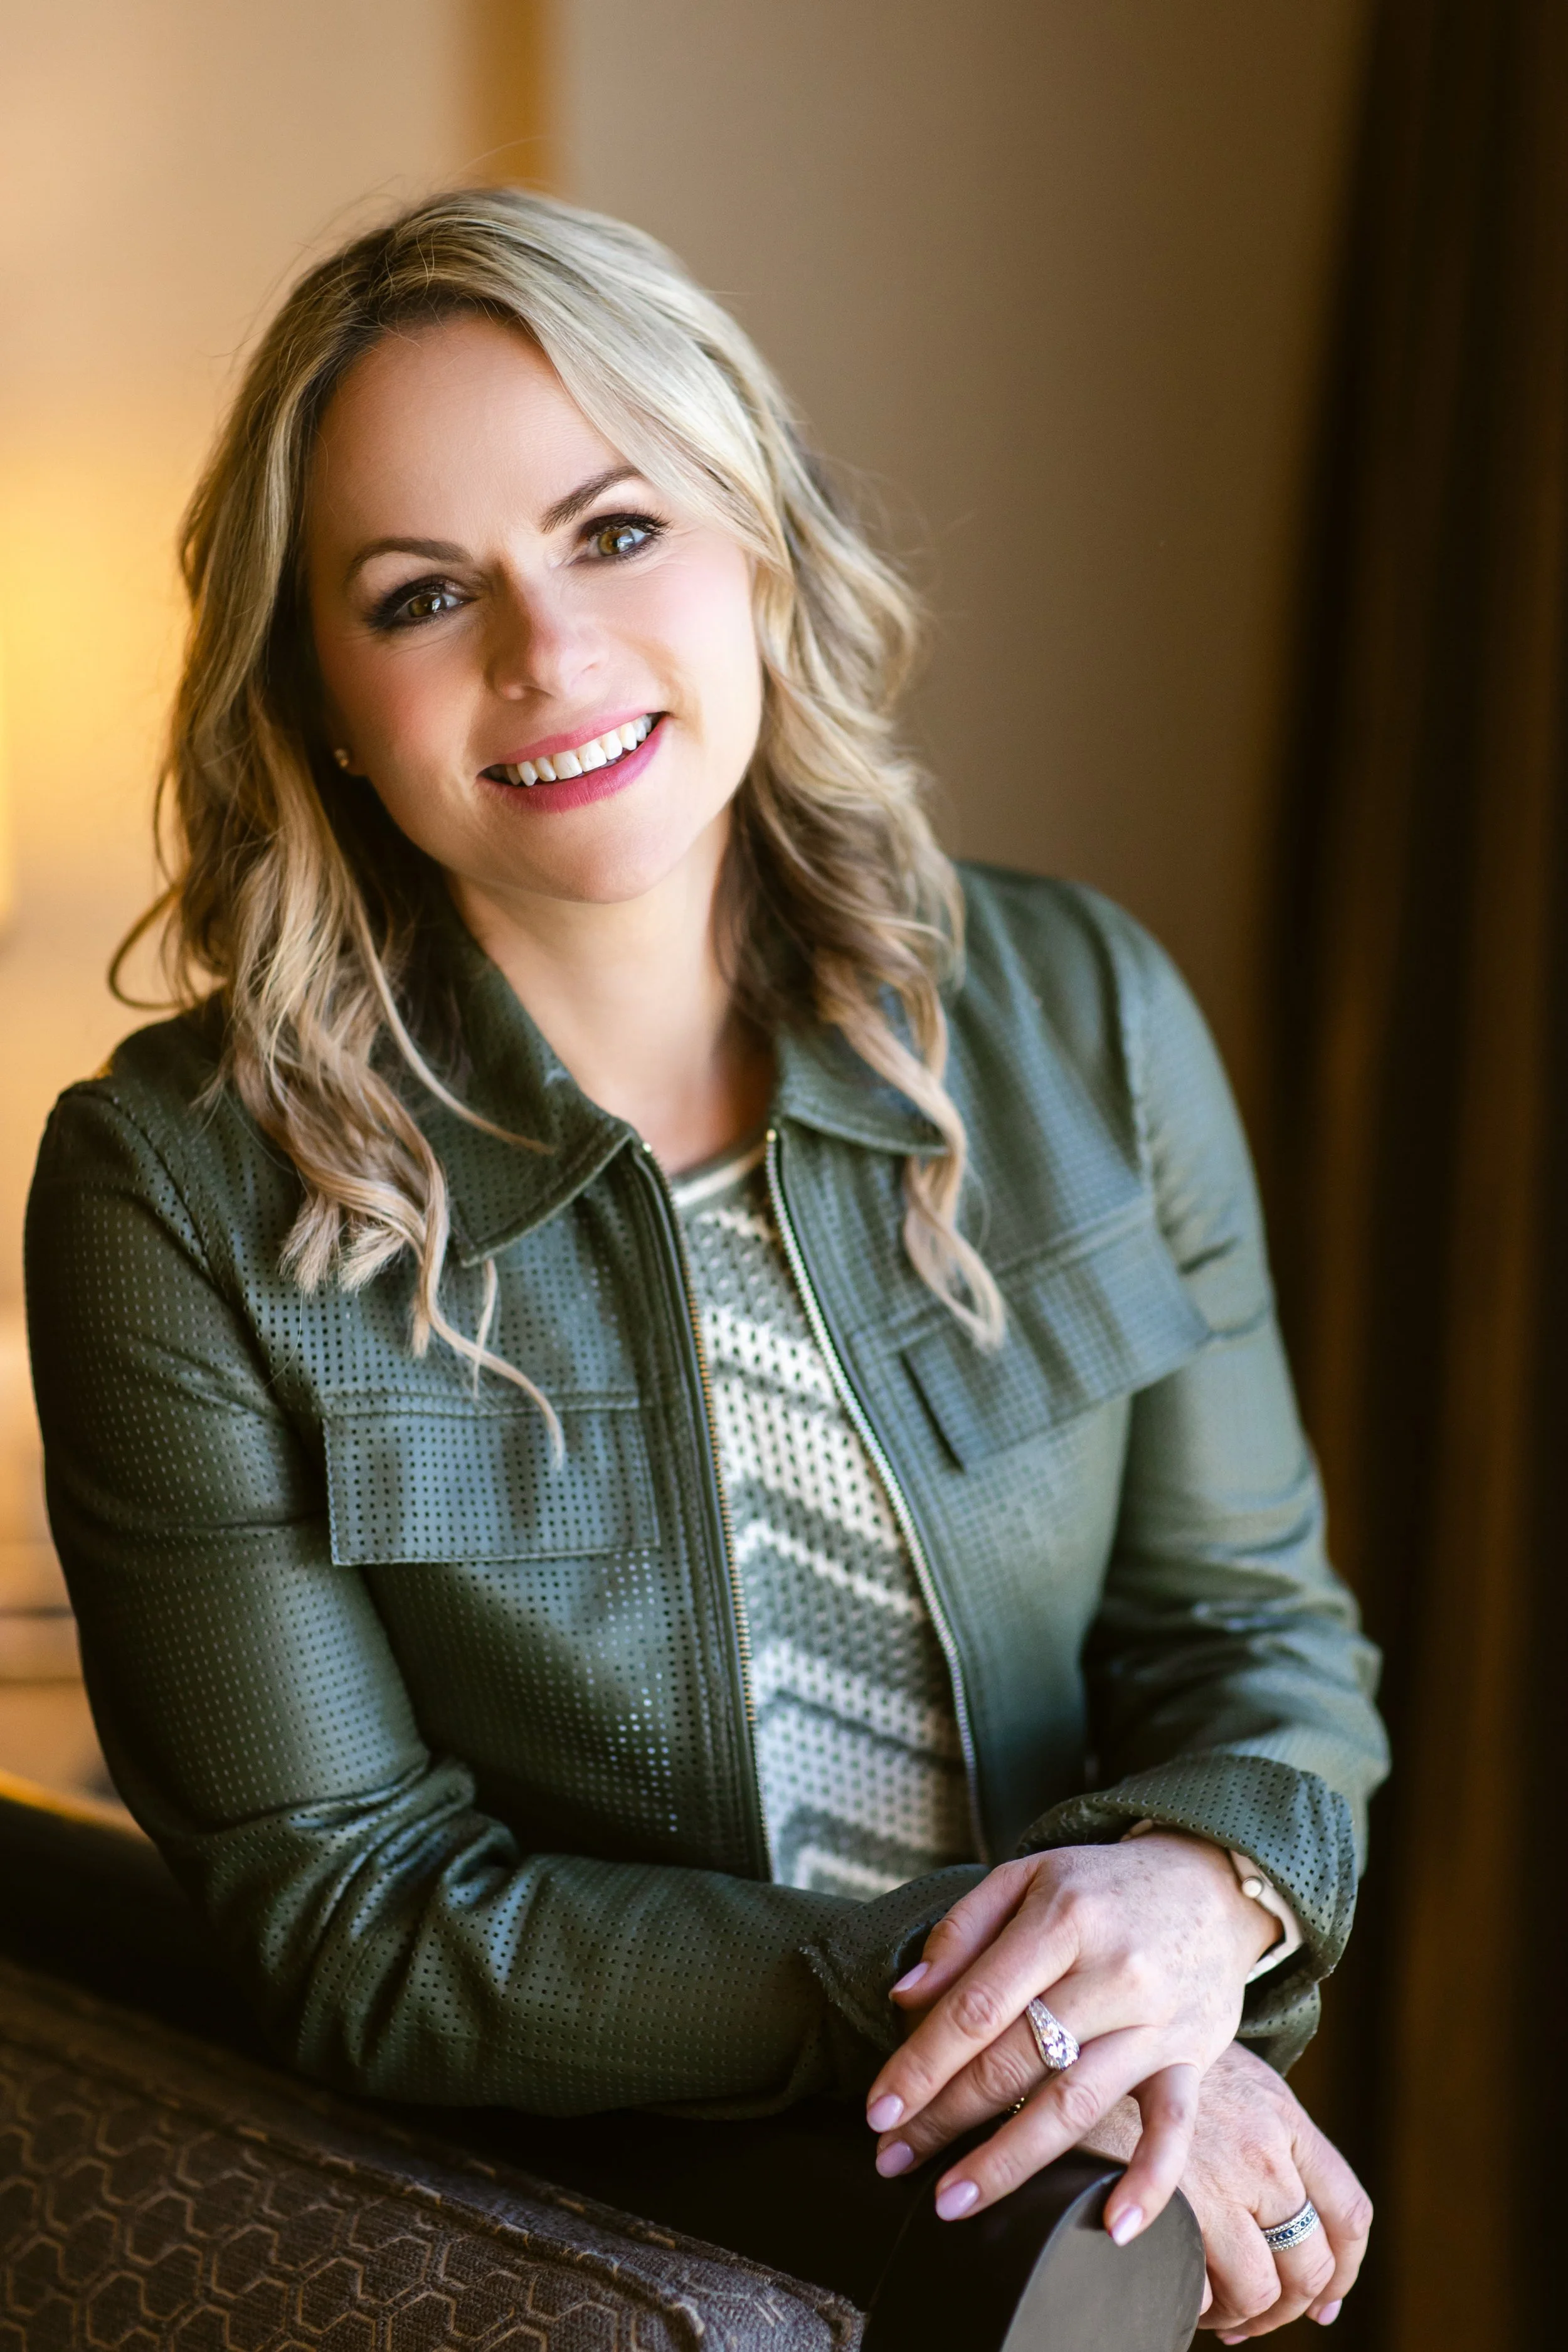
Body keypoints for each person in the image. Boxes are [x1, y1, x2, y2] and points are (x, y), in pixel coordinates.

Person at [25, 188, 1386, 2339]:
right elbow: (355, 1918)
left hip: (1098, 2227)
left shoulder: (1080, 1013)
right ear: (321, 692)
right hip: (599, 2259)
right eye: (419, 592)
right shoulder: (170, 1189)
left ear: (754, 538)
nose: (545, 655)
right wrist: (1023, 1998)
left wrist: (1200, 1895)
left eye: (616, 530)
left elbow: (1250, 1632)